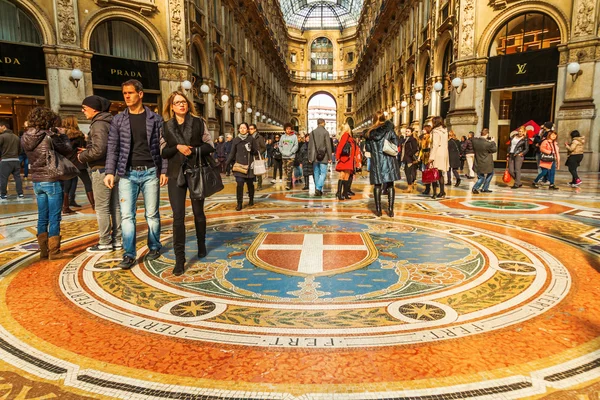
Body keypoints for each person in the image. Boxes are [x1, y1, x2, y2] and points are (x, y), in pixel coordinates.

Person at [104, 79, 168, 270]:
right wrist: (109, 171)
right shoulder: (118, 119)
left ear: (140, 94)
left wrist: (163, 170)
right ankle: (129, 253)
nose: (127, 97)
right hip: (127, 174)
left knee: (152, 214)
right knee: (127, 216)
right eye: (124, 94)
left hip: (150, 173)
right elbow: (112, 148)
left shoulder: (155, 119)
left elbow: (163, 146)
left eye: (130, 93)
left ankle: (154, 246)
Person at [161, 91, 214, 276]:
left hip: (196, 172)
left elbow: (210, 146)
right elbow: (163, 151)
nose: (181, 105)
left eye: (183, 102)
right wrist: (176, 147)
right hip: (175, 174)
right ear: (172, 106)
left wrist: (193, 150)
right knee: (178, 217)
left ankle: (201, 244)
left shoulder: (199, 123)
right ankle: (180, 259)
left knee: (198, 213)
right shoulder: (166, 126)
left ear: (188, 105)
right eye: (177, 103)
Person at [21, 107, 73, 259]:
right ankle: (55, 251)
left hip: (36, 180)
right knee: (54, 216)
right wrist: (62, 136)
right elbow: (67, 150)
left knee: (42, 216)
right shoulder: (49, 136)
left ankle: (44, 251)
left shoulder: (25, 136)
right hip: (50, 179)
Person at [78, 95, 122, 252]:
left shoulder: (98, 124)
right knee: (115, 206)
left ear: (94, 108)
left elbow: (99, 149)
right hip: (115, 168)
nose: (83, 111)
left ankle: (104, 242)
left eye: (84, 108)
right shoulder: (111, 121)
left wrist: (82, 156)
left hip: (102, 168)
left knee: (102, 207)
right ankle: (117, 239)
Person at [365, 111, 400, 217]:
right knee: (390, 185)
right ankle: (390, 209)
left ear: (374, 119)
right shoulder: (389, 130)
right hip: (389, 161)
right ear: (384, 118)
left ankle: (378, 210)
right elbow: (396, 143)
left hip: (376, 161)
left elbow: (368, 148)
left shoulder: (370, 133)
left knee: (377, 185)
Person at [61, 116, 94, 214]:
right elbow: (83, 147)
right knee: (87, 183)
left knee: (66, 186)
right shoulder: (79, 136)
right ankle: (94, 204)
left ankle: (65, 207)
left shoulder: (62, 137)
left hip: (67, 163)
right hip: (79, 162)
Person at [227, 122, 259, 211]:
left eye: (244, 128)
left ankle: (251, 199)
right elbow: (232, 153)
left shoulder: (251, 139)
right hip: (239, 167)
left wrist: (251, 149)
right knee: (239, 184)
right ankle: (239, 203)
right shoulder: (236, 140)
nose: (242, 129)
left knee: (250, 184)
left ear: (247, 129)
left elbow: (256, 151)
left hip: (249, 166)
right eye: (241, 128)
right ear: (238, 129)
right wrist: (227, 163)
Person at [308, 118, 332, 196]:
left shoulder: (312, 133)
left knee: (316, 173)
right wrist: (330, 157)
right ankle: (318, 188)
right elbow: (328, 146)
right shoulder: (326, 132)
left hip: (314, 156)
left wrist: (310, 157)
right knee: (323, 173)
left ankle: (317, 189)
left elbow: (310, 146)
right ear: (323, 123)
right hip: (323, 156)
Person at [0, 121, 24, 200]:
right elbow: (20, 150)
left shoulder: (2, 136)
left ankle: (3, 194)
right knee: (17, 178)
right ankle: (20, 194)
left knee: (3, 178)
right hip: (16, 160)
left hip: (6, 160)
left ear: (3, 126)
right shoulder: (16, 137)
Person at [428, 116, 450, 199]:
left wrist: (431, 157)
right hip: (444, 153)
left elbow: (435, 144)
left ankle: (434, 193)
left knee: (434, 173)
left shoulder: (436, 131)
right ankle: (442, 191)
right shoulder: (445, 131)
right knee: (440, 174)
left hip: (437, 153)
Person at [335, 123, 358, 200]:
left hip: (349, 159)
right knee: (342, 175)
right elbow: (340, 146)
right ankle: (339, 193)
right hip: (345, 159)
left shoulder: (349, 136)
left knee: (347, 176)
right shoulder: (345, 135)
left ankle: (344, 193)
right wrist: (337, 156)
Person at [471, 128, 497, 194]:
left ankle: (484, 188)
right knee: (489, 174)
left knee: (480, 176)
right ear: (487, 134)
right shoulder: (488, 144)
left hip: (477, 161)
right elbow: (494, 150)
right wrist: (493, 142)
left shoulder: (475, 141)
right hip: (486, 163)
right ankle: (477, 188)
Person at [279, 123, 299, 190]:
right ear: (285, 129)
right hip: (284, 156)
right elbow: (280, 145)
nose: (288, 130)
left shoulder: (294, 136)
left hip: (291, 156)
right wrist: (282, 152)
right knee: (285, 171)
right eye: (287, 129)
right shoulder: (282, 137)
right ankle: (289, 183)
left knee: (289, 170)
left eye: (289, 129)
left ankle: (288, 185)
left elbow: (296, 146)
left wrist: (291, 152)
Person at [401, 127, 419, 193]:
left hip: (409, 159)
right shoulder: (405, 139)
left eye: (408, 131)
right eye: (406, 131)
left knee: (408, 173)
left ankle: (409, 188)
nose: (406, 132)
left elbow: (415, 149)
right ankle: (410, 186)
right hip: (406, 158)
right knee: (407, 172)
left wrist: (409, 154)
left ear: (411, 132)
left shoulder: (413, 139)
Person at [249, 124, 266, 190]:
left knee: (258, 171)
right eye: (249, 129)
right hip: (250, 156)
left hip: (257, 156)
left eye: (251, 129)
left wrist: (258, 153)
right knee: (250, 172)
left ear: (255, 129)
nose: (250, 130)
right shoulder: (249, 137)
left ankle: (259, 185)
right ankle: (251, 187)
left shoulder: (259, 137)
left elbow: (264, 147)